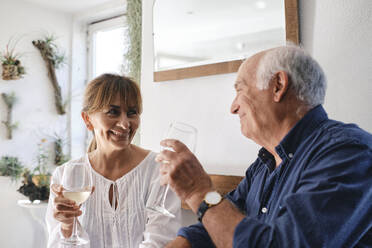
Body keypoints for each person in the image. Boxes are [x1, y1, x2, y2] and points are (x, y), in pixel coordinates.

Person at [157, 45, 372, 247]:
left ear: (278, 85)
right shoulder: (264, 164)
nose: (233, 108)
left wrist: (198, 192)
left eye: (240, 90)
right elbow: (222, 208)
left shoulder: (349, 153)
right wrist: (203, 205)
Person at [46, 74, 181, 248]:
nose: (125, 124)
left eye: (132, 113)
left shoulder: (159, 170)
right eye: (113, 112)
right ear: (88, 119)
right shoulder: (66, 175)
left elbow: (161, 241)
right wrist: (66, 226)